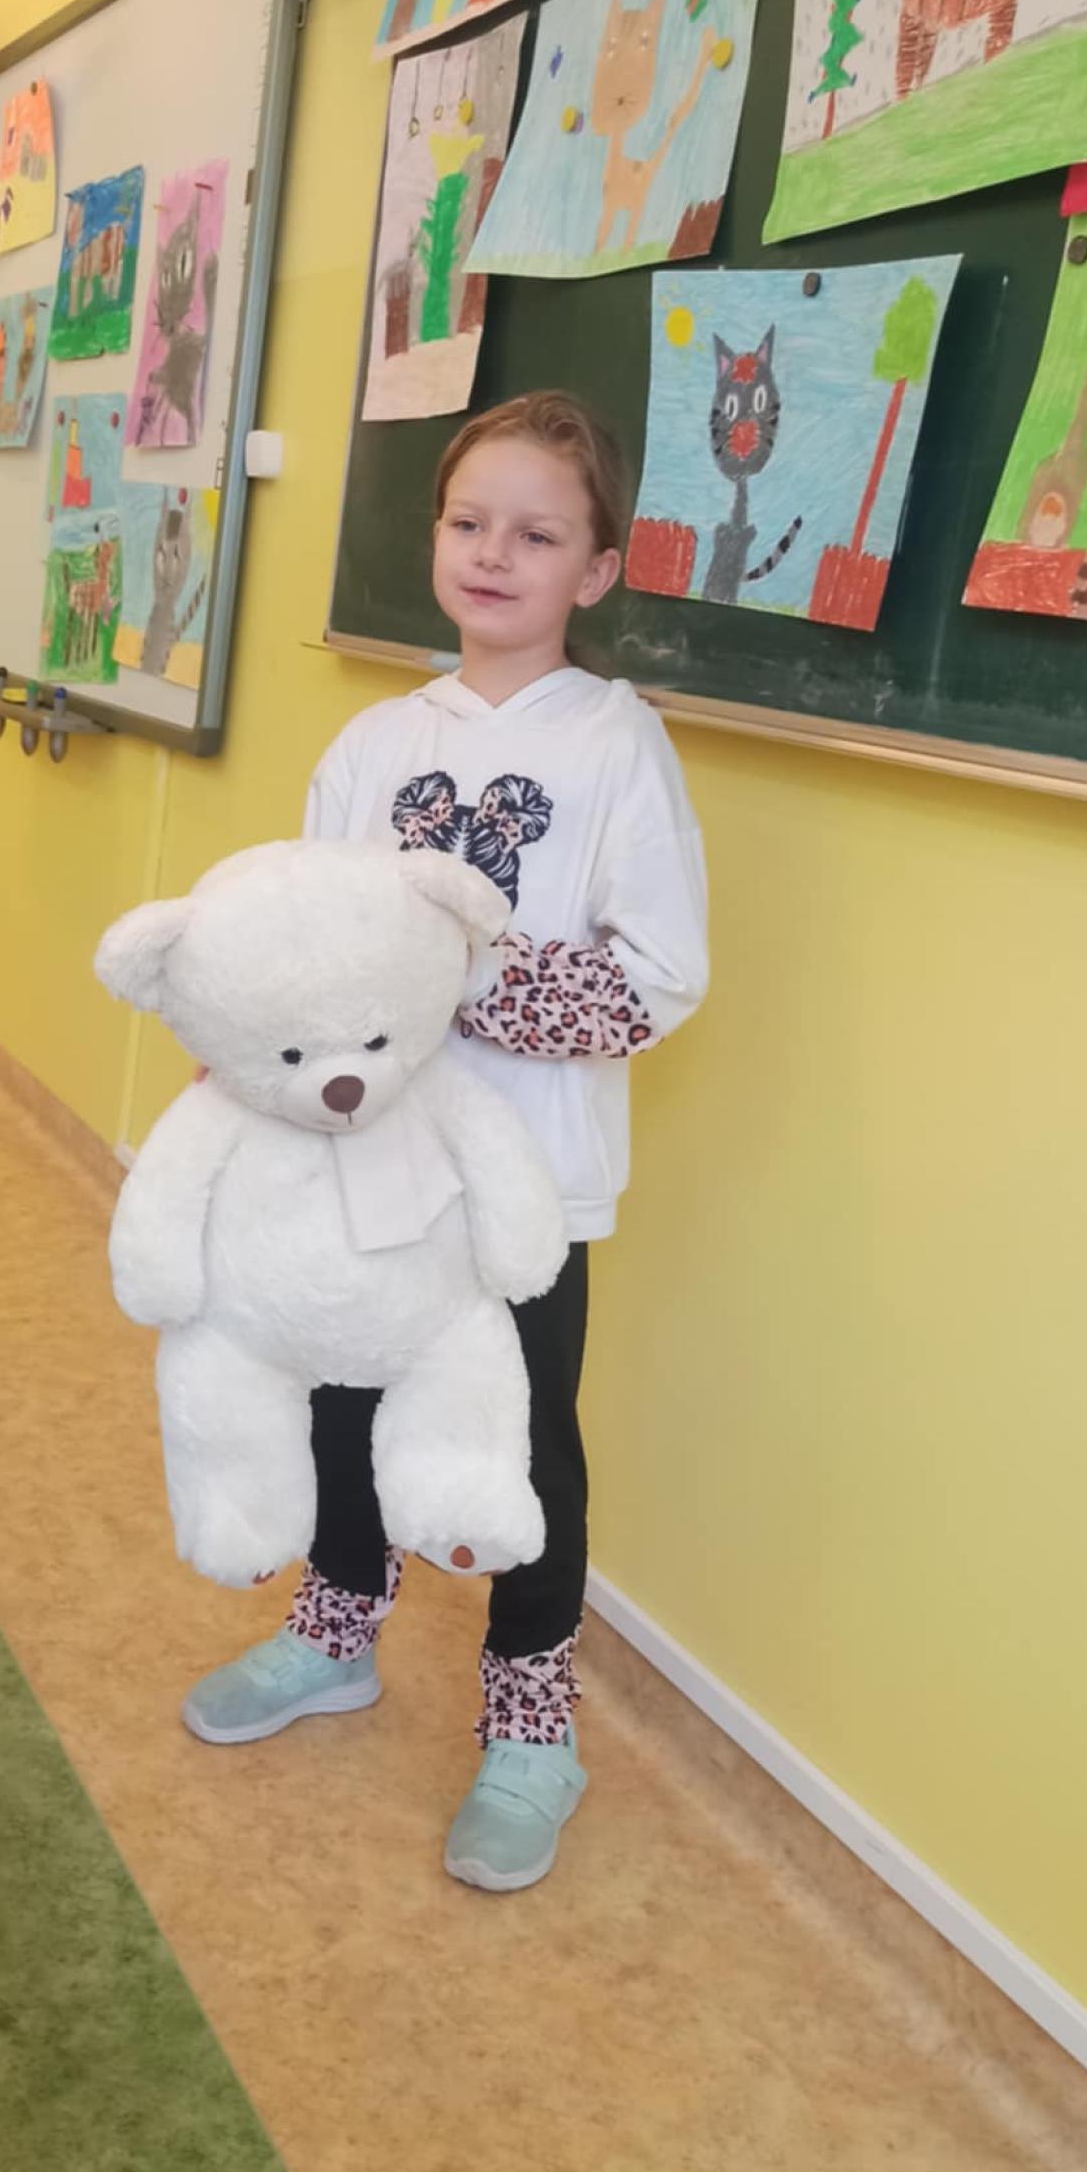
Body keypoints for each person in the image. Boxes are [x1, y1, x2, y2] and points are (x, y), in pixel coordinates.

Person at [183, 390, 709, 1892]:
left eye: (536, 534)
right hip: (366, 1172)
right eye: (469, 522)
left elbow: (657, 980)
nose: (493, 553)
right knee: (343, 1405)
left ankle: (534, 1730)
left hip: (529, 1187)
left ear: (596, 569)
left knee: (525, 1449)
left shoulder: (616, 746)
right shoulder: (372, 744)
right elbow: (305, 943)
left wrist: (458, 978)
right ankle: (336, 1628)